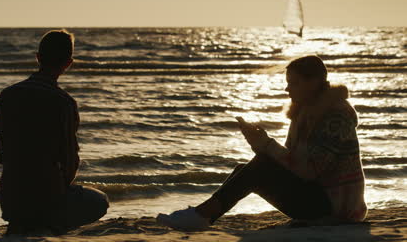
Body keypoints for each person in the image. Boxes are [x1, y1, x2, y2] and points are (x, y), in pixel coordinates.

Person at [156, 55, 367, 230]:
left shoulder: (335, 116)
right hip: (315, 198)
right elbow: (290, 162)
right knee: (247, 167)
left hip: (336, 208)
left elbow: (310, 171)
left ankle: (201, 215)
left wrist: (267, 145)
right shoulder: (303, 113)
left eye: (294, 83)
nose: (287, 89)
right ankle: (203, 216)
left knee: (261, 166)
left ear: (313, 83)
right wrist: (258, 143)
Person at [0, 30, 109, 234]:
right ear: (68, 63)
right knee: (99, 201)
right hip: (46, 200)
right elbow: (69, 160)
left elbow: (3, 154)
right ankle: (49, 224)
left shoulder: (7, 95)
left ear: (38, 57)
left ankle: (26, 221)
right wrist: (59, 188)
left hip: (11, 199)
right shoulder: (63, 102)